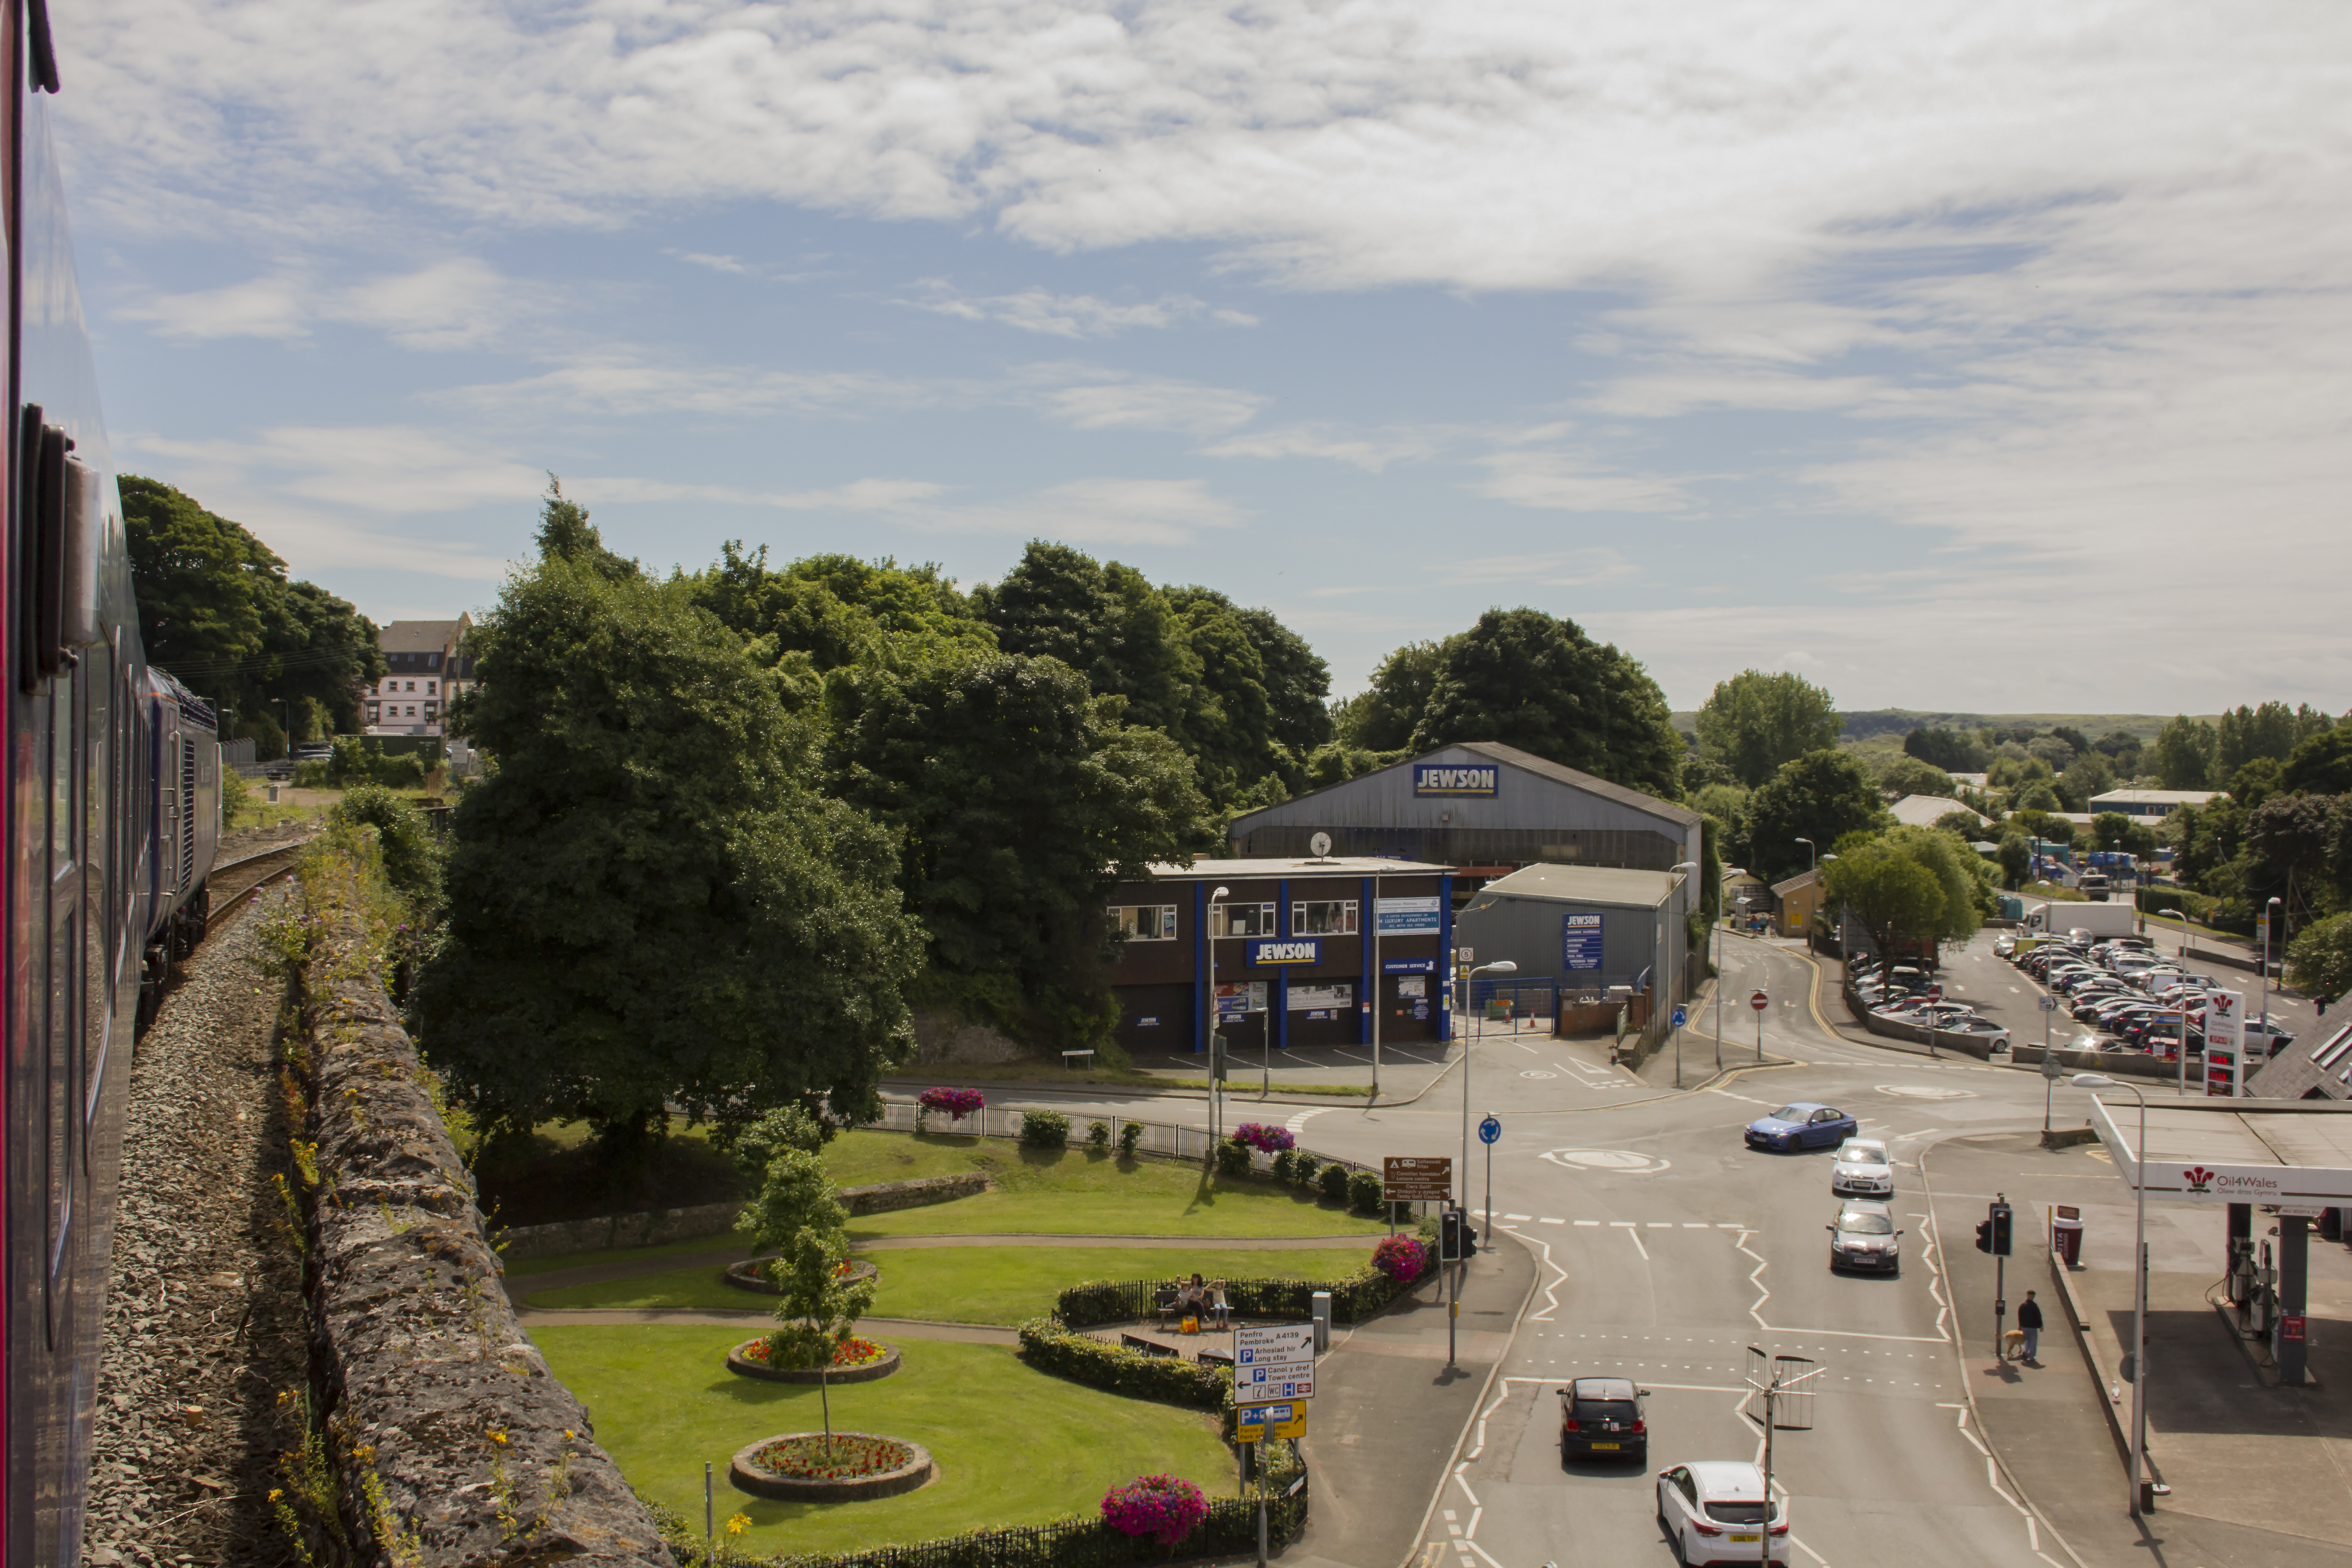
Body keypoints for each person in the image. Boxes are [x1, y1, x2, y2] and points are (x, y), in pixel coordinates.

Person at [2017, 1290, 2044, 1364]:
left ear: (2027, 1296)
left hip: (2025, 1326)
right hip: (2033, 1327)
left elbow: (2020, 1316)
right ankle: (2031, 1356)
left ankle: (2025, 1351)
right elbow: (2038, 1317)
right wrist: (2041, 1326)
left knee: (2027, 1339)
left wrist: (2020, 1325)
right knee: (2033, 1341)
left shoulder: (2023, 1306)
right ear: (2034, 1297)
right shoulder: (2035, 1306)